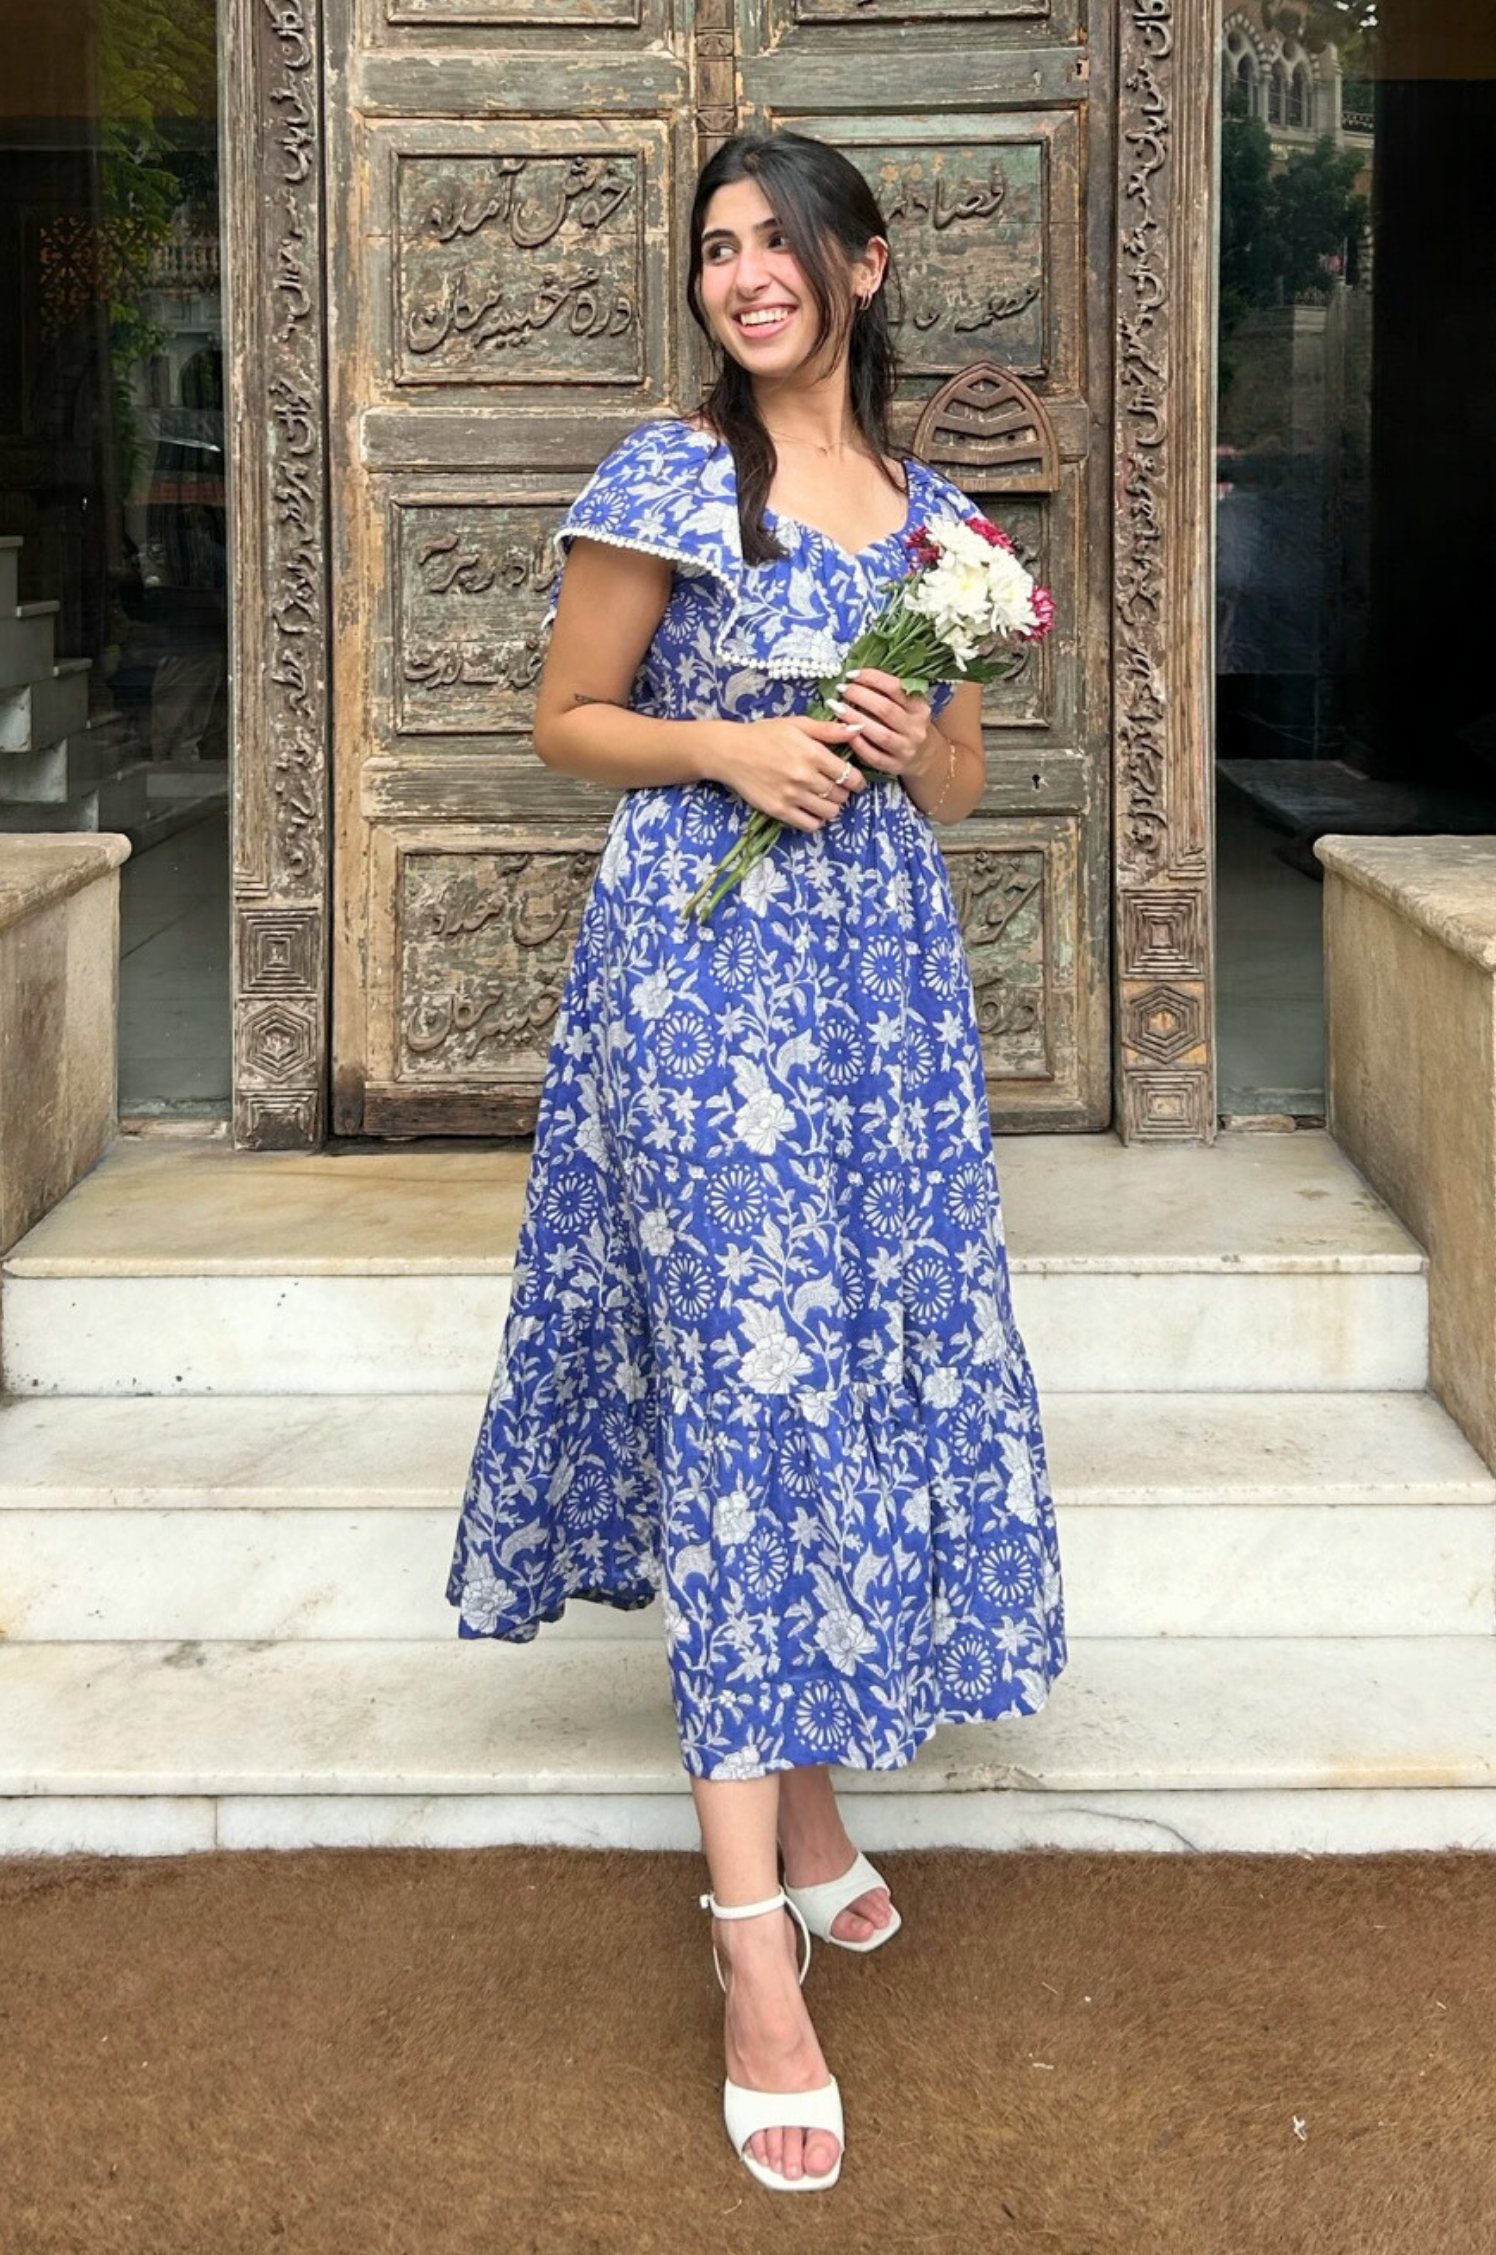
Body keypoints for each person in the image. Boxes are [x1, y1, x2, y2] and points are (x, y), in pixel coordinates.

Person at [448, 129, 1065, 2193]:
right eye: (716, 248)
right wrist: (731, 743)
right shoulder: (666, 477)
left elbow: (965, 787)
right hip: (697, 992)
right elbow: (567, 717)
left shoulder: (940, 534)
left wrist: (908, 732)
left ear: (863, 268)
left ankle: (807, 1824)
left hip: (876, 1002)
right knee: (747, 1399)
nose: (744, 274)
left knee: (843, 1388)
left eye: (778, 242)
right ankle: (749, 1952)